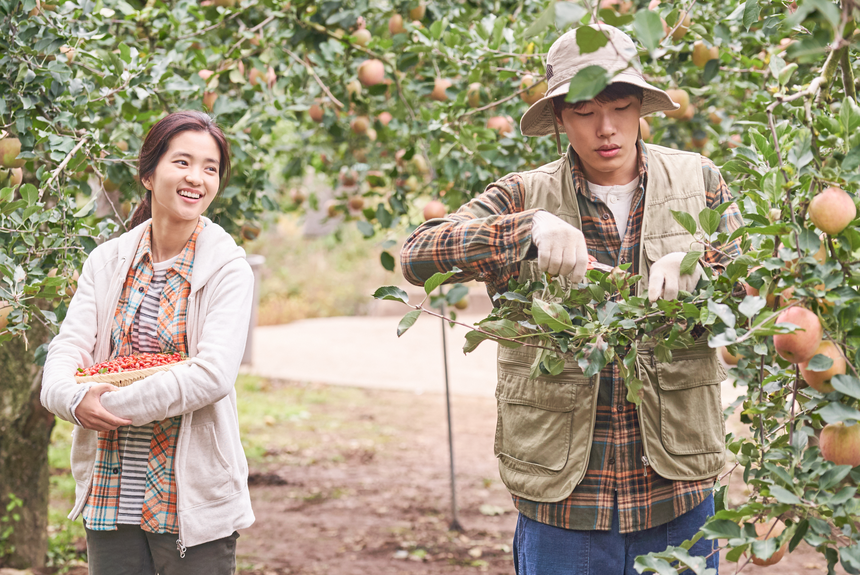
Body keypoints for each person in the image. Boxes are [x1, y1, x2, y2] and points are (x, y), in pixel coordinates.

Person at [400, 25, 743, 574]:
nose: (605, 128)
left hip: (678, 493)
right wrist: (525, 231)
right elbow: (416, 255)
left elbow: (756, 278)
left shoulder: (698, 181)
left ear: (640, 109)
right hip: (563, 505)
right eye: (584, 113)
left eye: (621, 107)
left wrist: (704, 264)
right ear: (560, 117)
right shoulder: (523, 194)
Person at [41, 111, 255, 574]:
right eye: (182, 162)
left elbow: (211, 374)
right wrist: (75, 401)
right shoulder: (107, 261)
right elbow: (66, 351)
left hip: (190, 500)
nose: (196, 178)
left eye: (210, 167)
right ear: (148, 173)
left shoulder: (227, 268)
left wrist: (111, 405)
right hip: (111, 492)